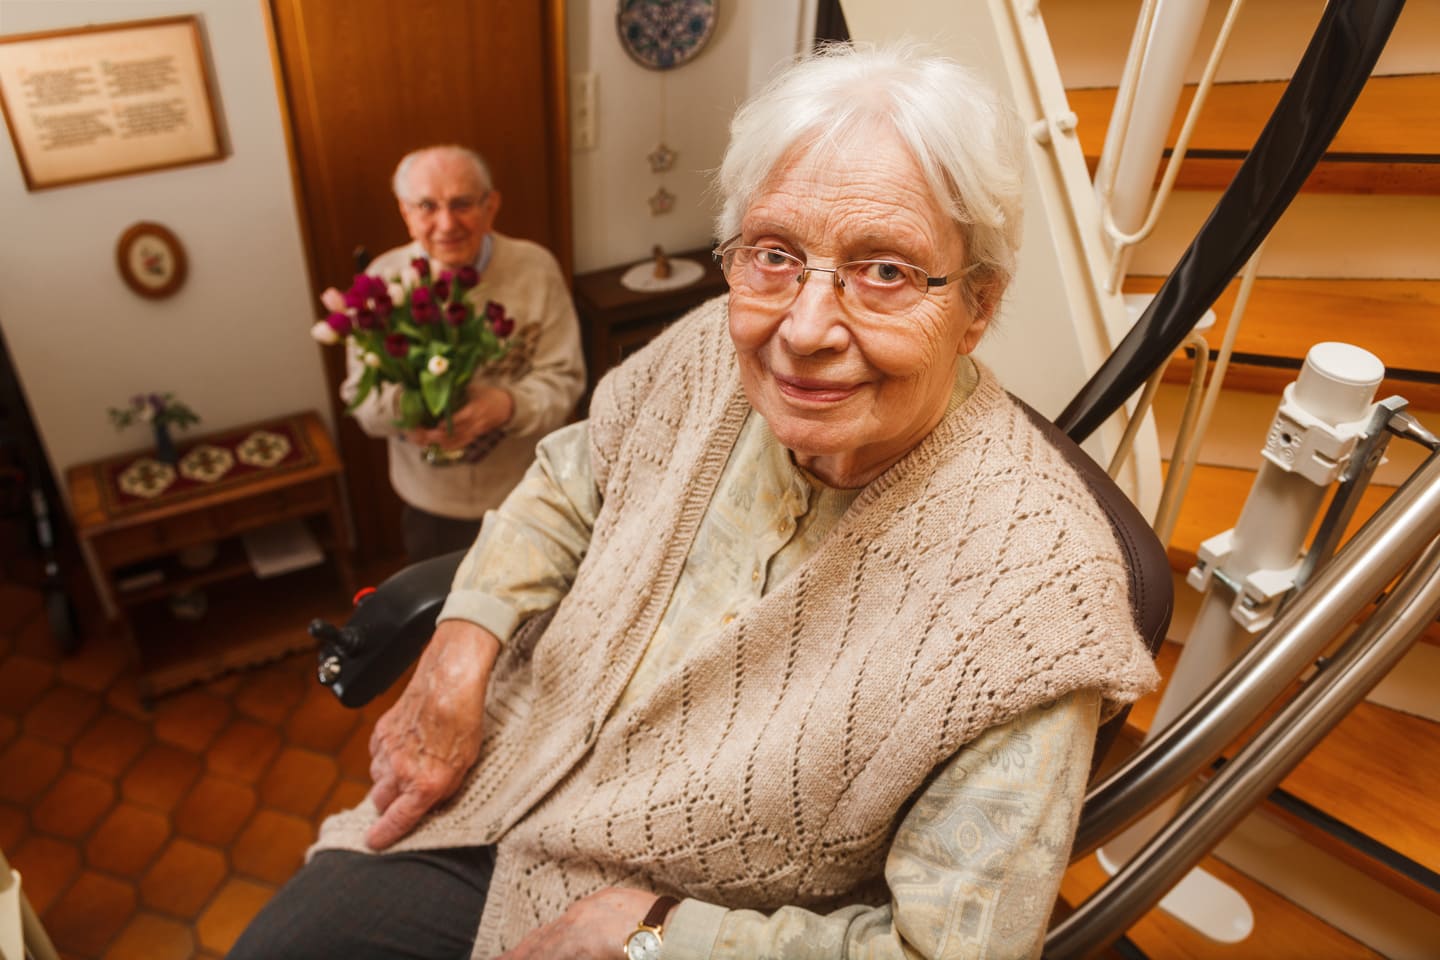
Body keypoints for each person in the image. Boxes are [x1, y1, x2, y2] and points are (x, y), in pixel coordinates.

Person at [233, 44, 1158, 959]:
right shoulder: (705, 348)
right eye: (774, 253)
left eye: (885, 271)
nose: (801, 329)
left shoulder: (1036, 597)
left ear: (979, 306)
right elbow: (568, 481)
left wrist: (654, 933)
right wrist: (464, 639)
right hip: (498, 781)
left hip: (679, 914)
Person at [340, 145, 586, 561]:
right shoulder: (380, 281)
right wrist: (409, 415)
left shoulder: (535, 267)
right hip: (432, 506)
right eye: (427, 206)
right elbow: (360, 399)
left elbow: (566, 380)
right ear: (405, 212)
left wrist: (507, 405)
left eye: (462, 204)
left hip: (529, 491)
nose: (446, 223)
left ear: (491, 206)